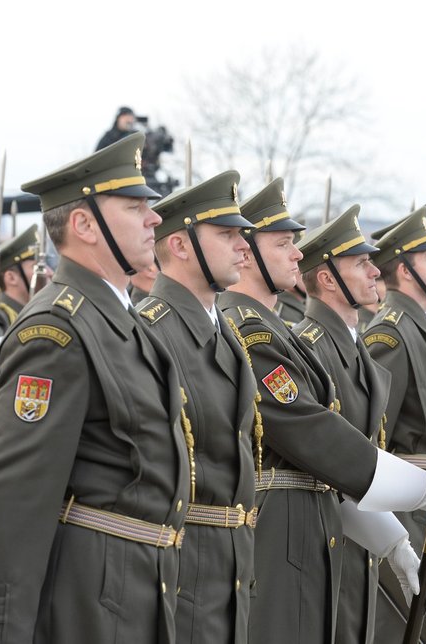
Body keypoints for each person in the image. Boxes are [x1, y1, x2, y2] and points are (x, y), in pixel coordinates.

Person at [0, 133, 190, 643]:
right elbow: (17, 496)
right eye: (135, 207)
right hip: (92, 602)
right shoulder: (57, 332)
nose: (155, 217)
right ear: (85, 225)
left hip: (141, 589)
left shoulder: (123, 321)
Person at [219, 181, 426, 643]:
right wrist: (424, 489)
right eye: (282, 244)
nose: (298, 254)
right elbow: (316, 437)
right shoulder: (250, 333)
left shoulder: (276, 333)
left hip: (315, 532)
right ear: (247, 253)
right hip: (277, 538)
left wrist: (393, 540)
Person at [137, 170, 257, 644]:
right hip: (182, 568)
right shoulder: (152, 330)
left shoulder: (224, 330)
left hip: (229, 567)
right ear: (181, 247)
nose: (243, 246)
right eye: (226, 234)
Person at [292, 202, 390, 644]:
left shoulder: (353, 345)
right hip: (329, 532)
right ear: (328, 279)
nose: (375, 272)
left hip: (364, 524)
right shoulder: (312, 346)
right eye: (362, 263)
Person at [365, 206, 426, 644]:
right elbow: (374, 435)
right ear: (403, 270)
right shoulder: (390, 334)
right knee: (410, 627)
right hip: (408, 506)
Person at [0, 224, 40, 329]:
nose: (49, 272)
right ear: (11, 277)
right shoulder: (0, 322)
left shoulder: (29, 313)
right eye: (35, 267)